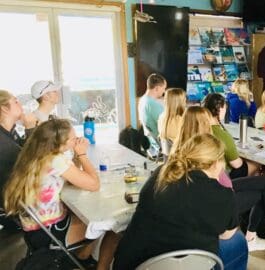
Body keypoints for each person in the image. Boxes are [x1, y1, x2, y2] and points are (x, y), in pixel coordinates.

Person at [178, 102, 265, 252]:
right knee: (264, 187)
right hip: (221, 198)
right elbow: (224, 176)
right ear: (204, 123)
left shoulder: (181, 147)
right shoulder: (207, 146)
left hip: (218, 191)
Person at [113, 134, 248, 270]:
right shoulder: (224, 195)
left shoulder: (161, 174)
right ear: (215, 163)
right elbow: (226, 235)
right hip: (190, 264)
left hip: (134, 264)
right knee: (238, 242)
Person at [3, 119, 118, 270]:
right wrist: (82, 154)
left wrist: (76, 159)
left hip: (34, 231)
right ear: (59, 143)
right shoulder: (55, 160)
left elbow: (70, 179)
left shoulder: (34, 155)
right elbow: (94, 185)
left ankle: (83, 257)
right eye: (73, 139)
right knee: (114, 225)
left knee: (89, 215)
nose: (76, 141)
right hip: (50, 233)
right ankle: (101, 268)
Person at [0, 90, 35, 229]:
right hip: (14, 207)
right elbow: (32, 162)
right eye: (15, 101)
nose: (20, 104)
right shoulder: (2, 142)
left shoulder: (9, 132)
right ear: (3, 108)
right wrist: (30, 130)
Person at [203, 93, 260, 177]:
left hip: (210, 171)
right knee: (256, 164)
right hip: (225, 173)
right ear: (220, 109)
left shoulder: (201, 128)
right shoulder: (222, 134)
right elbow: (237, 164)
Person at [157, 88, 186, 154]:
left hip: (168, 156)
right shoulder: (181, 120)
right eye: (184, 99)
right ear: (181, 101)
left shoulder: (162, 117)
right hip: (180, 157)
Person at [138, 73, 167, 139]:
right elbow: (166, 127)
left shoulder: (142, 100)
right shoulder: (153, 104)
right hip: (160, 143)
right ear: (157, 88)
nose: (164, 91)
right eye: (164, 88)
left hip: (151, 141)